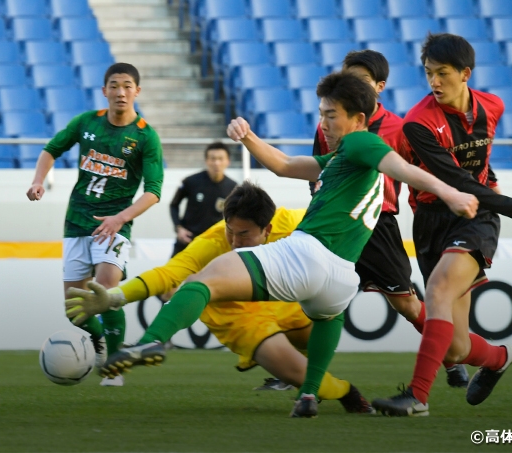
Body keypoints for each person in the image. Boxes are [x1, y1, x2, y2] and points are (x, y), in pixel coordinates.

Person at [66, 71, 478, 418]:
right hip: (340, 278)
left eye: (330, 116)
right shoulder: (340, 160)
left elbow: (401, 168)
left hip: (310, 254)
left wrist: (451, 194)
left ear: (359, 117)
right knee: (325, 322)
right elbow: (283, 166)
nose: (324, 124)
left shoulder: (360, 142)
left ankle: (154, 339)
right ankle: (309, 393)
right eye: (321, 115)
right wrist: (248, 137)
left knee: (203, 281)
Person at [371, 33, 512, 417]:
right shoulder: (418, 123)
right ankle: (498, 357)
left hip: (476, 217)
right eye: (428, 74)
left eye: (442, 73)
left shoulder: (494, 105)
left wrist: (497, 197)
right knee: (456, 348)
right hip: (431, 220)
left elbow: (478, 171)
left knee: (439, 290)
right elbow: (454, 181)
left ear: (465, 73)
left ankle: (418, 397)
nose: (434, 82)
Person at [66, 181, 373, 413]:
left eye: (244, 235)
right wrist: (114, 297)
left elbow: (345, 230)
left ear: (268, 229)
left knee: (317, 331)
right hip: (238, 315)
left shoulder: (296, 225)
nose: (234, 241)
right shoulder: (213, 241)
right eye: (230, 231)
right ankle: (345, 391)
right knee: (300, 375)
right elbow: (167, 274)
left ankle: (307, 382)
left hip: (285, 300)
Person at [313, 49, 469, 387]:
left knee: (408, 306)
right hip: (335, 225)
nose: (354, 85)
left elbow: (418, 172)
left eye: (363, 81)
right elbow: (318, 170)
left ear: (380, 87)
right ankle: (295, 374)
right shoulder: (328, 123)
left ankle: (450, 355)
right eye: (349, 78)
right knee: (306, 293)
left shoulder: (401, 127)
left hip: (376, 223)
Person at [26, 62, 164, 387]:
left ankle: (114, 366)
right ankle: (101, 342)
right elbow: (51, 150)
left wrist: (120, 218)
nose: (120, 92)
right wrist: (37, 181)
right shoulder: (86, 123)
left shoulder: (145, 136)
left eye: (127, 85)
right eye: (114, 85)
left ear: (137, 92)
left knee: (105, 289)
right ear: (105, 91)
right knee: (75, 310)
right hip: (77, 221)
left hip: (114, 224)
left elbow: (153, 193)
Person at [170, 142, 237, 256]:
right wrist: (179, 228)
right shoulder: (190, 181)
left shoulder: (233, 188)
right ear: (206, 161)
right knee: (171, 273)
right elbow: (174, 205)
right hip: (189, 241)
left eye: (221, 159)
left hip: (215, 243)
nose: (216, 163)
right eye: (213, 159)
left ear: (228, 161)